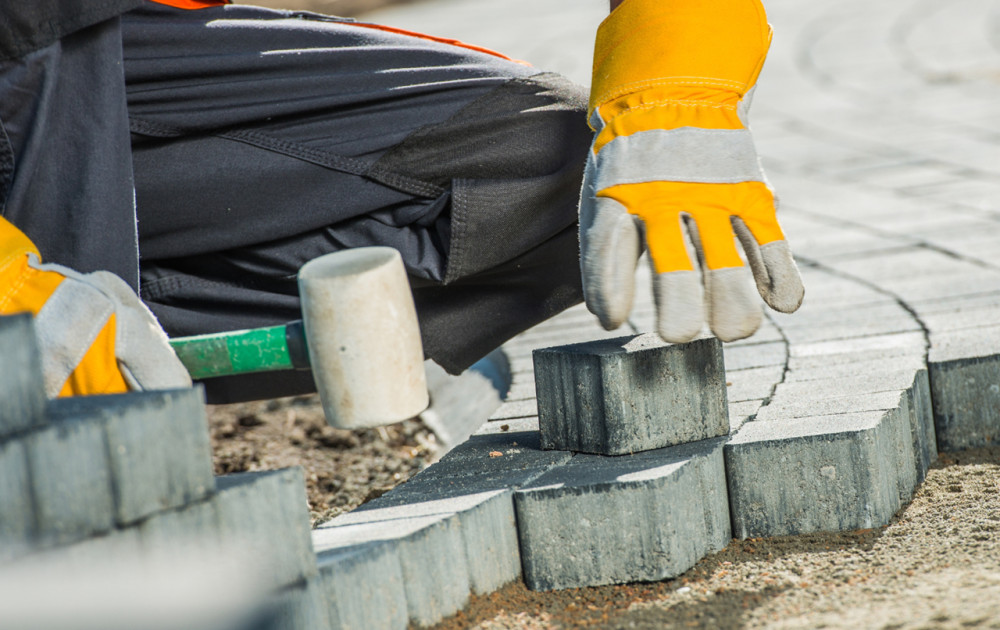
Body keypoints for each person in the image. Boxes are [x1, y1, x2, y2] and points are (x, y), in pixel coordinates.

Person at [0, 0, 803, 403]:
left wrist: (677, 92)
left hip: (109, 46)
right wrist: (14, 292)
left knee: (552, 166)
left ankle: (122, 351)